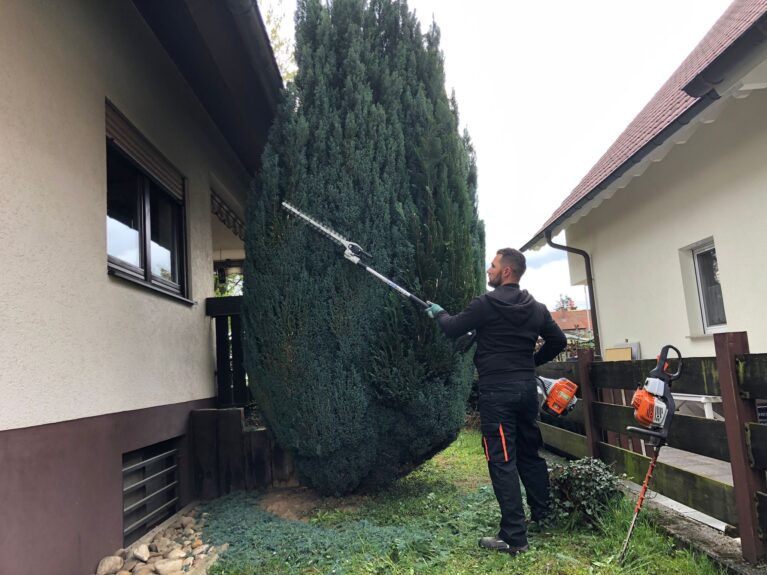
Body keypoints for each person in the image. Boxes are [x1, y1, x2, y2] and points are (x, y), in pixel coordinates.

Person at [425, 247, 567, 555]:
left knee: (501, 459)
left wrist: (438, 312)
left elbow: (451, 328)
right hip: (527, 391)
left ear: (506, 271)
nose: (488, 270)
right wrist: (531, 363)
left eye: (492, 266)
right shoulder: (537, 308)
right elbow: (560, 341)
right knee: (529, 453)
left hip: (497, 393)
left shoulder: (485, 305)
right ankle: (543, 514)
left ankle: (514, 537)